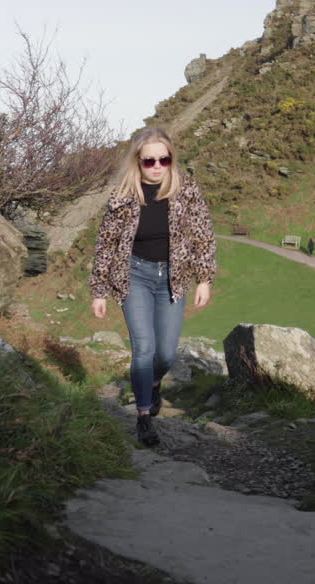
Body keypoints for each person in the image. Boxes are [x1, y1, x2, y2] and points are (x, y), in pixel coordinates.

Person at [90, 127, 216, 447]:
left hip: (173, 278)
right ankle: (143, 416)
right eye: (149, 161)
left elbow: (203, 234)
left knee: (166, 353)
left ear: (171, 159)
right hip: (135, 276)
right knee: (144, 348)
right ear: (138, 161)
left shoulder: (186, 190)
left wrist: (204, 279)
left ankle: (154, 383)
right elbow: (106, 243)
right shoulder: (122, 195)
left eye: (164, 159)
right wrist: (99, 290)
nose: (157, 166)